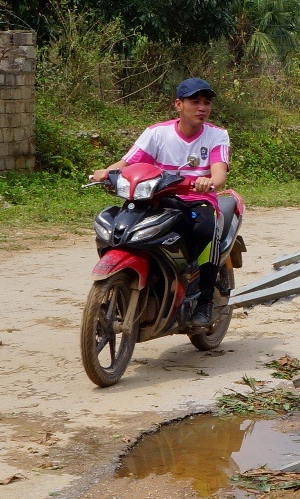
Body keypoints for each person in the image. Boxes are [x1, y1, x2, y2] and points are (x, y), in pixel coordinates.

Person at [90, 78, 232, 329]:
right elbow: (127, 162)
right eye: (195, 102)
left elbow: (219, 175)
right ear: (178, 105)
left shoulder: (216, 135)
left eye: (206, 103)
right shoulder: (157, 133)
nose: (202, 108)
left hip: (198, 200)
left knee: (206, 230)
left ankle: (205, 301)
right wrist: (106, 172)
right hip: (160, 197)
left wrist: (208, 181)